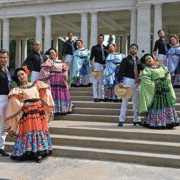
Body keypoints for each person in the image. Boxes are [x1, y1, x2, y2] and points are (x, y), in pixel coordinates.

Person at [5, 67, 54, 163]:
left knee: (38, 130)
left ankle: (39, 154)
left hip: (38, 111)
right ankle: (24, 152)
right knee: (27, 131)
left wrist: (42, 101)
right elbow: (13, 101)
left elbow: (46, 93)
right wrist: (23, 104)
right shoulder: (17, 89)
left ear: (27, 74)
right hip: (27, 113)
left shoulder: (37, 84)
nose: (21, 77)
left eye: (22, 74)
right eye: (19, 76)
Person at [138, 54, 179, 129]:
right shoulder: (146, 70)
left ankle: (168, 121)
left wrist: (166, 80)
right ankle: (157, 122)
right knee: (157, 105)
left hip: (165, 88)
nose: (149, 60)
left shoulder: (161, 66)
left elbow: (167, 74)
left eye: (149, 58)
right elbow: (144, 79)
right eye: (146, 60)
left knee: (167, 104)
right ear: (145, 62)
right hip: (156, 90)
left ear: (153, 58)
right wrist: (154, 82)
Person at [39, 48, 72, 115]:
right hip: (53, 79)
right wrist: (49, 74)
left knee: (62, 94)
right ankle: (54, 110)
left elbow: (65, 69)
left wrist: (64, 75)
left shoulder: (60, 61)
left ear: (56, 53)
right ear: (50, 55)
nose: (52, 54)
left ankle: (62, 109)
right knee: (53, 94)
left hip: (60, 79)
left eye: (53, 52)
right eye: (51, 53)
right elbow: (44, 70)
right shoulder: (49, 62)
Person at [118, 44, 143, 127]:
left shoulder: (138, 60)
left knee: (136, 102)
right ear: (129, 49)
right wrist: (120, 81)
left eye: (135, 48)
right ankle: (121, 119)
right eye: (132, 48)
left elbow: (142, 71)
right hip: (128, 81)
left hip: (137, 82)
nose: (134, 49)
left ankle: (136, 119)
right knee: (125, 101)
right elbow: (121, 71)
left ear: (137, 50)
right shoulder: (125, 59)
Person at [0, 49, 15, 157]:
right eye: (0, 57)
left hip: (8, 99)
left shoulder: (8, 71)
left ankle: (1, 147)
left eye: (4, 57)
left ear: (8, 58)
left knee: (3, 124)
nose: (2, 59)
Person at [90, 34, 109, 102]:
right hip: (97, 65)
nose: (100, 39)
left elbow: (107, 58)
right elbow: (91, 58)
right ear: (98, 39)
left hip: (103, 66)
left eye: (102, 38)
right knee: (95, 81)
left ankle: (101, 96)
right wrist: (92, 66)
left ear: (103, 39)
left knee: (102, 82)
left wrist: (106, 64)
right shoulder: (94, 47)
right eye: (99, 38)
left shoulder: (105, 48)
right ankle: (95, 97)